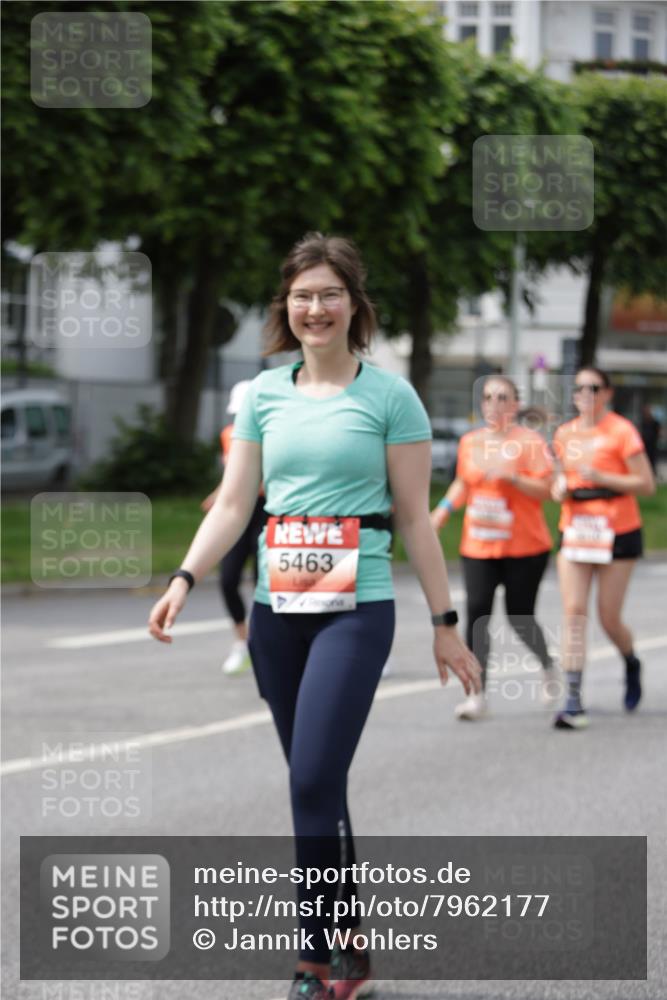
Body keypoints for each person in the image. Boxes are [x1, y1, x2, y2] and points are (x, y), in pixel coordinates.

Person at [148, 233, 481, 1000]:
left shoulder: (390, 396)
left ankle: (312, 957)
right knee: (316, 785)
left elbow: (415, 518)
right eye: (302, 295)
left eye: (330, 293)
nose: (315, 307)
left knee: (310, 779)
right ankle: (352, 940)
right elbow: (235, 503)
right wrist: (184, 577)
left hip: (354, 609)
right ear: (285, 307)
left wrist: (443, 618)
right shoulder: (264, 394)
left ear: (354, 305)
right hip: (276, 612)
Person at [431, 375, 557, 721]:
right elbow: (463, 482)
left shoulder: (529, 442)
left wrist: (513, 477)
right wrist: (441, 512)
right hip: (479, 544)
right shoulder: (470, 442)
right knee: (477, 615)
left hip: (524, 546)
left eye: (503, 398)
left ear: (515, 405)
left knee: (520, 616)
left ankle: (548, 667)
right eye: (488, 397)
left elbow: (549, 490)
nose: (494, 404)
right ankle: (477, 695)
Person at [551, 366, 655, 729]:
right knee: (574, 611)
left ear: (608, 393)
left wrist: (604, 477)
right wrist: (558, 488)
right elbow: (559, 477)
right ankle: (573, 699)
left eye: (594, 388)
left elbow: (647, 484)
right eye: (579, 389)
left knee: (609, 617)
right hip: (577, 527)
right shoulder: (564, 433)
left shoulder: (621, 431)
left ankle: (630, 660)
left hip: (617, 528)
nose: (585, 395)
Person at [201, 380, 265, 675]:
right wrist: (219, 495)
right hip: (239, 512)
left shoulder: (275, 432)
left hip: (267, 512)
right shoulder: (229, 435)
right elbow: (235, 474)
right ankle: (242, 641)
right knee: (228, 579)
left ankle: (264, 643)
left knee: (262, 582)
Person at [640, 404, 660, 474]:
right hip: (645, 444)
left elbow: (657, 432)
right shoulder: (644, 421)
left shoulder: (655, 422)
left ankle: (653, 472)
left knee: (652, 458)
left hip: (652, 444)